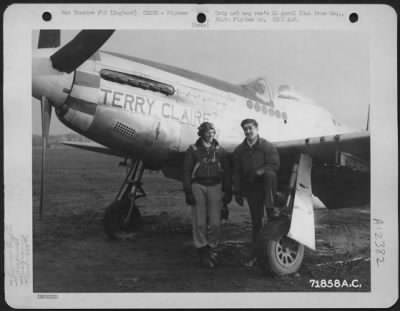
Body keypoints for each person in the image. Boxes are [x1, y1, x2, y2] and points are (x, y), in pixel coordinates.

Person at [183, 122, 232, 268]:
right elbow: (186, 171)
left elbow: (227, 172)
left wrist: (228, 191)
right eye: (207, 132)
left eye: (212, 131)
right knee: (199, 222)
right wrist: (188, 191)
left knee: (215, 223)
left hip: (216, 186)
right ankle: (202, 251)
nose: (210, 134)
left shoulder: (220, 151)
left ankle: (212, 248)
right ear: (201, 134)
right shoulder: (193, 150)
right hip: (198, 186)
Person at [232, 118, 280, 267]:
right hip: (252, 189)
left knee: (270, 174)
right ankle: (256, 253)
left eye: (250, 128)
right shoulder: (239, 150)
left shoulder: (267, 146)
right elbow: (237, 172)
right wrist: (237, 192)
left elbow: (274, 164)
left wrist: (259, 171)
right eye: (245, 129)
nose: (248, 131)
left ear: (257, 129)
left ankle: (271, 208)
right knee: (256, 222)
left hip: (266, 187)